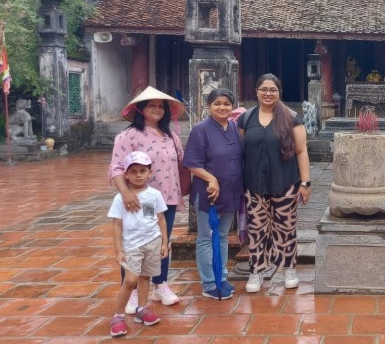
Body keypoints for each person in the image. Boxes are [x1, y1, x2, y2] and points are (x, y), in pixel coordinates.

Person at [108, 86, 185, 314]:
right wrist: (126, 193)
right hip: (138, 200)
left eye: (161, 106)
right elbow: (116, 168)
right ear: (141, 109)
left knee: (161, 242)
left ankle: (160, 284)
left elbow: (182, 163)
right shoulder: (128, 136)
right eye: (152, 105)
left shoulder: (171, 136)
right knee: (134, 242)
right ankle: (130, 290)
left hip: (165, 198)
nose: (157, 110)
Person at [238, 74, 312, 293]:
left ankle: (289, 268)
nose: (268, 93)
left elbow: (302, 151)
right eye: (264, 89)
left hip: (285, 182)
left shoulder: (291, 117)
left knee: (286, 228)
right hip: (254, 184)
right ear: (256, 91)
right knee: (257, 229)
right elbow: (241, 149)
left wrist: (305, 183)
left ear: (279, 92)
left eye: (272, 89)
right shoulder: (246, 118)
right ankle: (257, 271)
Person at [183, 88, 243, 300]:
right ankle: (209, 282)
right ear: (209, 106)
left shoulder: (234, 128)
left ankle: (222, 276)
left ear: (232, 106)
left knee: (224, 235)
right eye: (217, 103)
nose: (222, 107)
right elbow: (191, 162)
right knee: (207, 237)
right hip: (208, 193)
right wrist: (211, 178)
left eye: (227, 103)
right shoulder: (200, 130)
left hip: (230, 191)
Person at [108, 151, 168, 337]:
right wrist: (119, 251)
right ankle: (118, 316)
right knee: (130, 280)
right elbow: (117, 225)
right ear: (126, 174)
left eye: (143, 170)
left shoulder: (155, 194)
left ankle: (142, 309)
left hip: (152, 241)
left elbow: (161, 219)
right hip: (132, 245)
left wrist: (165, 242)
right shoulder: (121, 198)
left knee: (145, 276)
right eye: (133, 171)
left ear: (150, 172)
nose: (138, 175)